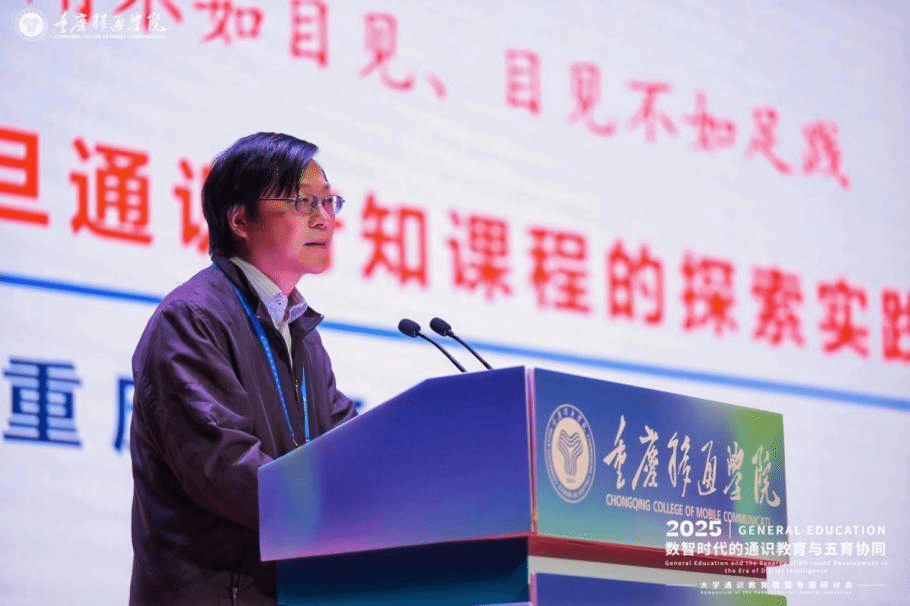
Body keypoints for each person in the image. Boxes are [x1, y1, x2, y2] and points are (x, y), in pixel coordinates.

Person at [128, 132, 357, 605]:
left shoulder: (301, 333)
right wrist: (340, 508)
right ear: (239, 220)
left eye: (329, 201)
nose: (324, 218)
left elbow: (347, 444)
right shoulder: (192, 319)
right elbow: (224, 467)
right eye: (303, 202)